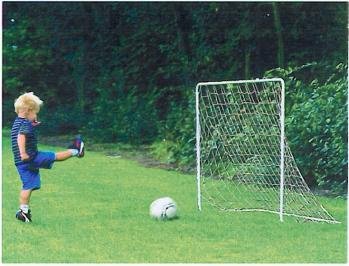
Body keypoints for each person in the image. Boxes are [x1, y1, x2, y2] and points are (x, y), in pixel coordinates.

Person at [11, 92, 85, 222]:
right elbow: (21, 137)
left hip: (20, 163)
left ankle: (23, 212)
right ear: (29, 111)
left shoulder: (17, 122)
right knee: (54, 156)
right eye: (35, 113)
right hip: (31, 157)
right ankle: (76, 150)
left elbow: (21, 134)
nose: (36, 116)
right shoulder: (26, 124)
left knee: (28, 186)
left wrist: (22, 154)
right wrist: (23, 152)